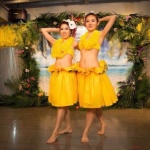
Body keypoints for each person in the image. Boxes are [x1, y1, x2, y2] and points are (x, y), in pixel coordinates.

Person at [76, 12, 118, 143]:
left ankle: (85, 133)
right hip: (83, 74)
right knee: (95, 104)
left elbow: (113, 18)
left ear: (97, 22)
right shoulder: (82, 38)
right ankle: (103, 123)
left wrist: (99, 19)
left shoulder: (99, 35)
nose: (90, 23)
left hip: (94, 74)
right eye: (87, 21)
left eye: (93, 21)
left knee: (91, 106)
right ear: (84, 23)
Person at [41, 20, 78, 144]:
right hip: (57, 75)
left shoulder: (73, 42)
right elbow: (43, 30)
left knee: (62, 104)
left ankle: (55, 132)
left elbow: (86, 49)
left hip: (67, 75)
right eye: (61, 29)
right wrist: (60, 29)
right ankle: (68, 127)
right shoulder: (55, 42)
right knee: (64, 103)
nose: (63, 31)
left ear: (71, 30)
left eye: (66, 29)